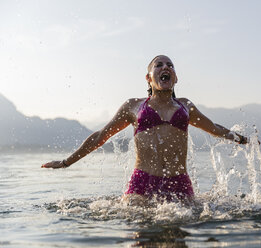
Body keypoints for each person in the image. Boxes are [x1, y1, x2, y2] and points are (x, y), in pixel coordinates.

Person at [42, 55, 248, 204]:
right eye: (159, 65)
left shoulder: (186, 106)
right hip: (142, 183)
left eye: (170, 65)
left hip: (180, 183)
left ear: (175, 78)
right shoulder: (133, 106)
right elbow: (101, 136)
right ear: (149, 78)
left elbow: (214, 128)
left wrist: (242, 140)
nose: (165, 67)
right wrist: (66, 162)